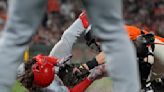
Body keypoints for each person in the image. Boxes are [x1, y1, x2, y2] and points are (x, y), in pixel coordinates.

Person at [0, 0, 140, 92]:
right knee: (99, 70)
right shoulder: (53, 89)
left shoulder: (25, 69)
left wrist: (56, 62)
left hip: (48, 71)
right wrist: (89, 79)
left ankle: (85, 18)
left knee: (67, 37)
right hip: (64, 85)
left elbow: (39, 57)